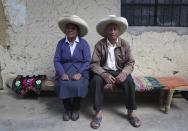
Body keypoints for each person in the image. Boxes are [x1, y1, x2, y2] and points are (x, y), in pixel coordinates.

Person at [90, 15, 141, 129]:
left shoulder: (125, 44)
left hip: (119, 71)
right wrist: (103, 74)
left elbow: (130, 62)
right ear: (106, 31)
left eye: (115, 29)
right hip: (104, 71)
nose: (113, 31)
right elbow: (94, 63)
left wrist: (124, 73)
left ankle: (131, 112)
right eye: (110, 29)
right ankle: (98, 112)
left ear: (118, 31)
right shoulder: (100, 44)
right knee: (96, 81)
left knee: (129, 82)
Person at [54, 15, 91, 121]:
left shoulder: (83, 43)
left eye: (73, 28)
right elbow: (56, 60)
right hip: (64, 70)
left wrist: (80, 73)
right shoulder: (61, 43)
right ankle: (67, 108)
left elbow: (87, 60)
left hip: (80, 70)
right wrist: (61, 73)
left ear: (78, 31)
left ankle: (75, 108)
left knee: (79, 84)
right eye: (68, 28)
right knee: (63, 83)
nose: (70, 30)